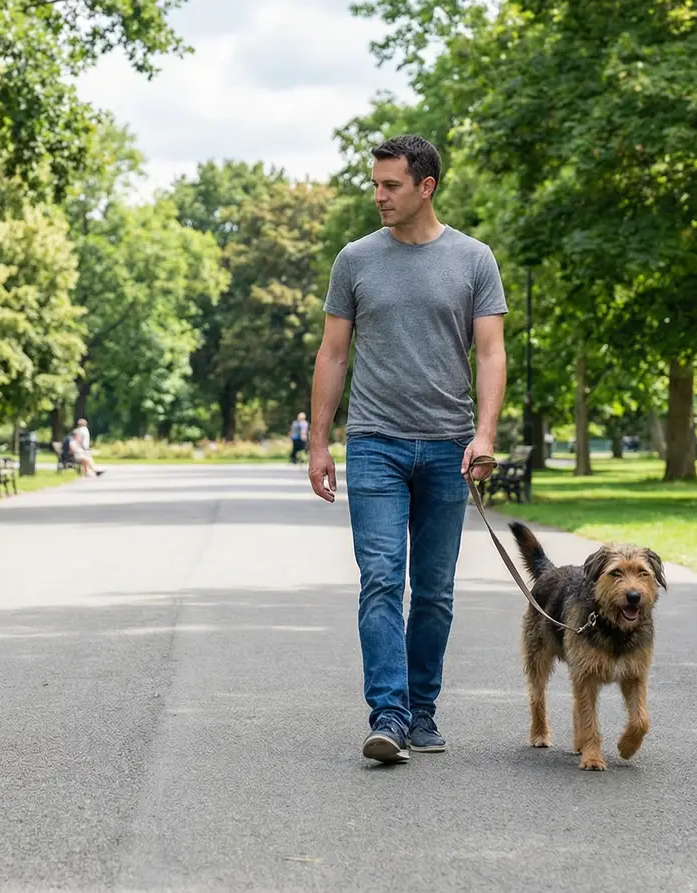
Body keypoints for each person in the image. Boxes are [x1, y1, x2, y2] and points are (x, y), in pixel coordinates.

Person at [307, 135, 507, 765]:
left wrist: (485, 434)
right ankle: (389, 714)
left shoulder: (474, 260)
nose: (378, 196)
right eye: (375, 184)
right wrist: (318, 442)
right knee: (381, 581)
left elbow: (491, 352)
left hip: (448, 446)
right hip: (374, 445)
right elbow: (333, 354)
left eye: (391, 185)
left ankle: (423, 710)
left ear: (426, 187)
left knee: (436, 590)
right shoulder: (355, 260)